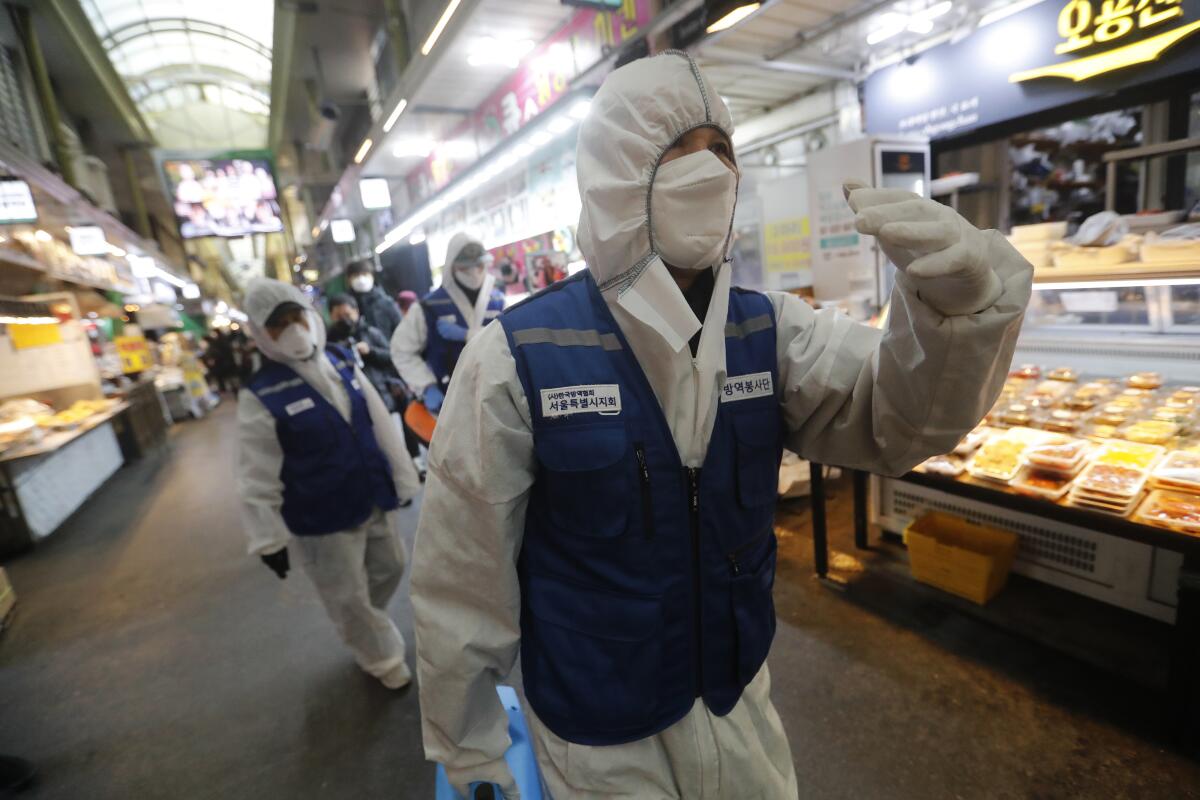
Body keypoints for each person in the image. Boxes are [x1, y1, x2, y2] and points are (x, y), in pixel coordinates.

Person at [410, 52, 1033, 799]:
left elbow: (893, 419)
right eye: (677, 148)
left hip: (737, 704)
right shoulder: (519, 359)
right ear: (617, 172)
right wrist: (470, 745)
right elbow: (461, 575)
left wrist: (954, 312)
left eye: (722, 149)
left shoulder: (768, 331)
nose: (708, 170)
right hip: (602, 737)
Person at [236, 278, 422, 690]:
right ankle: (382, 658)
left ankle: (364, 624)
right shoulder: (262, 393)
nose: (293, 330)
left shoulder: (340, 360)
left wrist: (404, 476)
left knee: (390, 565)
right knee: (346, 594)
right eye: (277, 324)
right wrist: (267, 538)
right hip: (321, 513)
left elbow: (379, 422)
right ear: (259, 332)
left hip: (371, 493)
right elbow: (255, 472)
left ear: (310, 314)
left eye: (296, 317)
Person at [389, 234, 506, 415]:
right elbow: (401, 350)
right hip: (449, 403)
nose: (475, 272)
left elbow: (510, 346)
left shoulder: (498, 301)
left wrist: (468, 335)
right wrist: (426, 385)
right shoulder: (428, 308)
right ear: (452, 267)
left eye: (480, 265)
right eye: (466, 267)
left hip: (497, 399)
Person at [327, 294, 423, 464]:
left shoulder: (371, 333)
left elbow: (392, 356)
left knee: (404, 424)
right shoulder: (329, 344)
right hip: (356, 398)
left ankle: (415, 459)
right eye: (338, 316)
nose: (344, 320)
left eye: (347, 315)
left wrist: (370, 351)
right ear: (331, 316)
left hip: (385, 390)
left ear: (356, 312)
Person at [346, 261, 403, 338]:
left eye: (364, 274)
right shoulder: (346, 307)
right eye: (356, 275)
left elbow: (401, 330)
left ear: (372, 276)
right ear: (349, 280)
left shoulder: (387, 303)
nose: (361, 279)